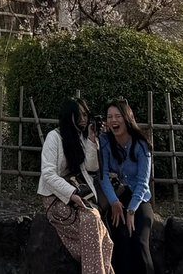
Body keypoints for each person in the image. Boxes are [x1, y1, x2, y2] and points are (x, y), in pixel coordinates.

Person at [38, 97, 113, 274]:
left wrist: (92, 140)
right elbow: (48, 173)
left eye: (85, 114)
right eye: (78, 115)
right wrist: (71, 194)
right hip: (55, 198)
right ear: (68, 115)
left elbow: (91, 167)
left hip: (80, 194)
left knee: (106, 240)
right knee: (93, 224)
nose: (83, 119)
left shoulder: (81, 137)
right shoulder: (54, 137)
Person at [97, 99, 153, 274]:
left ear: (127, 118)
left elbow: (144, 182)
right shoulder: (105, 142)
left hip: (139, 198)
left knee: (139, 240)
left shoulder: (141, 144)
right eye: (109, 117)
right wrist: (114, 202)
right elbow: (103, 175)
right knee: (119, 240)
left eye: (118, 116)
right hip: (117, 196)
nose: (113, 120)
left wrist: (131, 210)